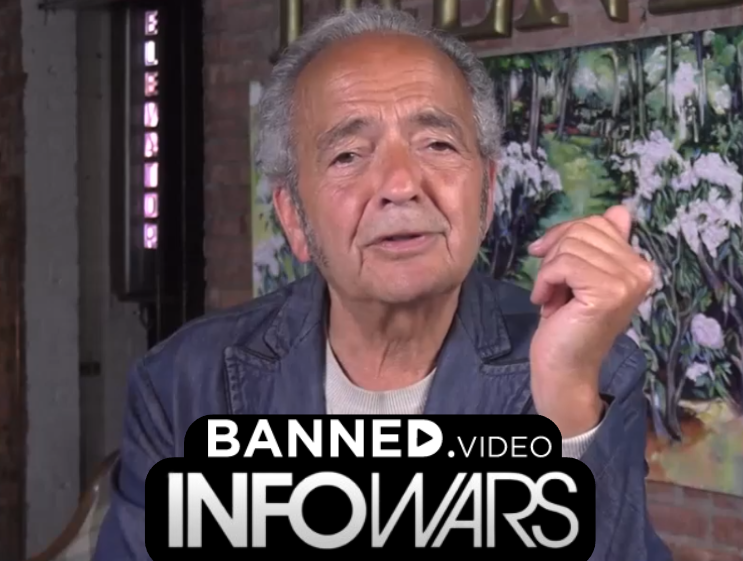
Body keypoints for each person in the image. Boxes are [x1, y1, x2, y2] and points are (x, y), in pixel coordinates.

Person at [94, 6, 672, 560]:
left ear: (487, 192)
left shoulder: (593, 373)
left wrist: (567, 412)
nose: (400, 184)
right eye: (348, 155)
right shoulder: (183, 386)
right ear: (293, 216)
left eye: (437, 144)